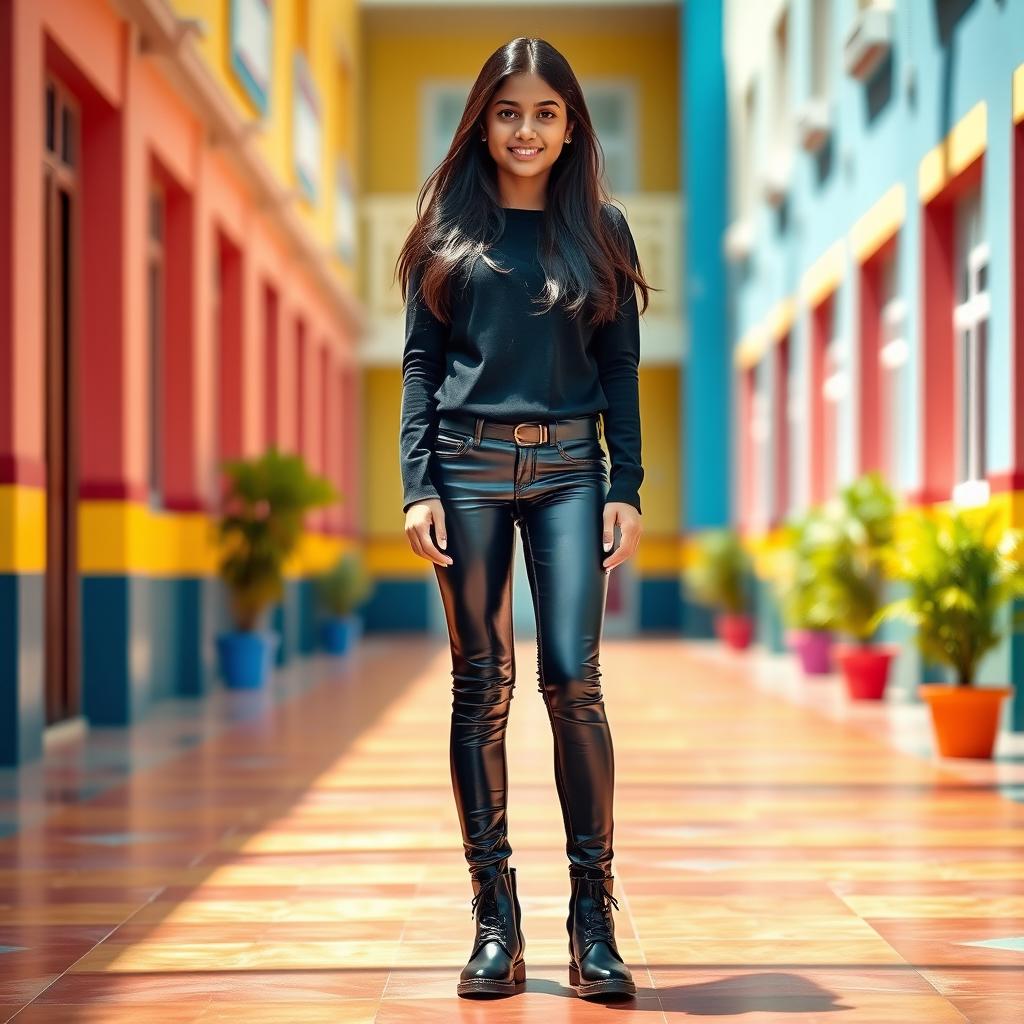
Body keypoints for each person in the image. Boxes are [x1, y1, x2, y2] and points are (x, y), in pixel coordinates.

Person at [397, 36, 649, 1001]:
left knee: (574, 680)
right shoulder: (445, 226)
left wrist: (626, 483)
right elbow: (421, 363)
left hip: (571, 474)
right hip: (462, 468)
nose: (527, 129)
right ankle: (494, 922)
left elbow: (620, 365)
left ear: (572, 124)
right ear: (483, 121)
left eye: (546, 113)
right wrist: (417, 480)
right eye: (509, 112)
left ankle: (594, 922)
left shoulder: (604, 229)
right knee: (481, 686)